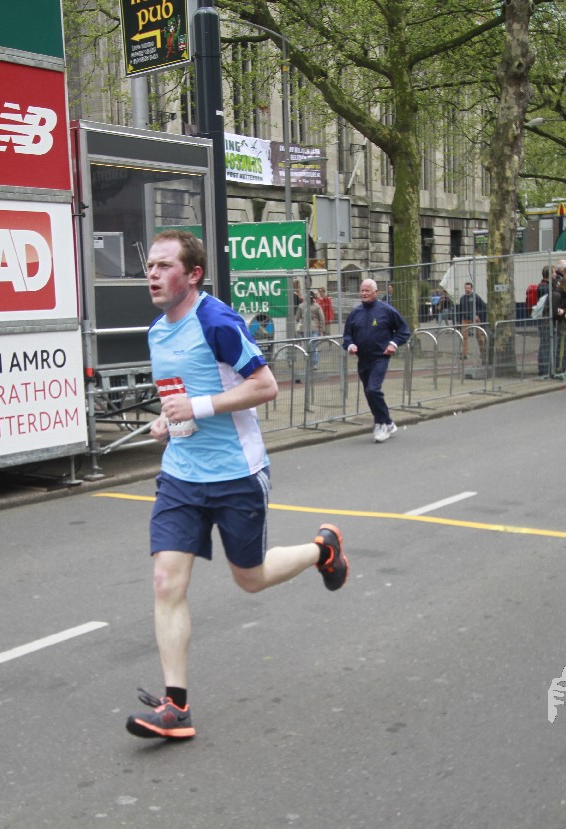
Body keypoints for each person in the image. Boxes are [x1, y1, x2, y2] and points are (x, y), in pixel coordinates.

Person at [126, 230, 348, 740]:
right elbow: (182, 397)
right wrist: (168, 421)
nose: (153, 275)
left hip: (236, 474)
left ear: (193, 274)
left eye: (164, 266)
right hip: (182, 475)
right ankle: (176, 706)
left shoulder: (217, 321)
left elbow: (265, 386)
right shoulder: (158, 332)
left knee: (250, 578)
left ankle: (323, 549)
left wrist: (197, 407)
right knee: (166, 582)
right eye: (150, 267)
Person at [343, 278, 411, 443]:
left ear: (376, 292)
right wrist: (350, 345)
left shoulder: (386, 310)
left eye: (367, 290)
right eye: (362, 290)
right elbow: (347, 335)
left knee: (373, 389)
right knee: (369, 392)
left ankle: (381, 424)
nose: (364, 293)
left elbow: (403, 330)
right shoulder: (355, 313)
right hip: (363, 358)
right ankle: (387, 422)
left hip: (380, 357)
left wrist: (394, 344)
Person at [456, 280, 488, 360]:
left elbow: (483, 306)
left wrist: (478, 315)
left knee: (479, 336)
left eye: (468, 288)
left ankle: (483, 353)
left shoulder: (475, 296)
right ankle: (465, 354)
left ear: (471, 288)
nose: (467, 289)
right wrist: (459, 320)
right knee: (464, 337)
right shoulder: (462, 298)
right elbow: (460, 310)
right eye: (466, 288)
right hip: (465, 319)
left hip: (475, 320)